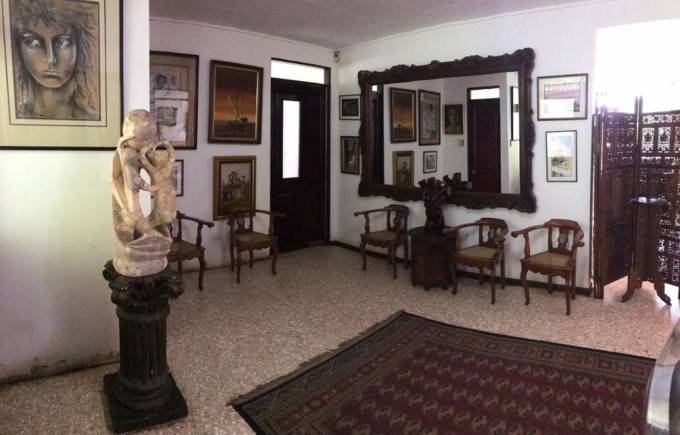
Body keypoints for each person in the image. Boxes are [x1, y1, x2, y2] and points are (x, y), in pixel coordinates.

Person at [10, 0, 98, 120]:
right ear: (18, 48)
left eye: (62, 42)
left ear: (79, 48)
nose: (51, 59)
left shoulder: (92, 119)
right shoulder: (15, 117)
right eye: (33, 42)